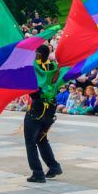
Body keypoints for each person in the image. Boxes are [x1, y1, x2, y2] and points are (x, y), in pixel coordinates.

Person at [24, 44, 62, 183]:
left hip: (37, 108)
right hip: (51, 107)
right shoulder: (54, 67)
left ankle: (37, 173)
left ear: (38, 54)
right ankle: (54, 167)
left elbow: (32, 88)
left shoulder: (35, 68)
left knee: (30, 141)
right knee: (41, 139)